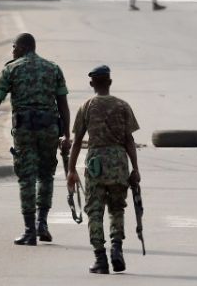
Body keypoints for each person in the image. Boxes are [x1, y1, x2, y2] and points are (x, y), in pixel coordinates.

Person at [0, 33, 71, 246]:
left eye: (14, 47)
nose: (12, 51)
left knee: (27, 178)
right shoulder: (53, 68)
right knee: (46, 176)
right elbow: (63, 104)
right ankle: (42, 224)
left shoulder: (12, 69)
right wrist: (67, 134)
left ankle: (30, 231)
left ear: (21, 48)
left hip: (25, 130)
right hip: (49, 129)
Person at [67, 65, 141, 275]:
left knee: (95, 210)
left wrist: (71, 170)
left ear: (92, 84)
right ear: (109, 82)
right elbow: (129, 140)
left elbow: (77, 141)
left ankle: (100, 259)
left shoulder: (86, 106)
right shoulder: (123, 106)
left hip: (96, 164)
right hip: (118, 163)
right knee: (117, 209)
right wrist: (135, 169)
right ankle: (117, 249)